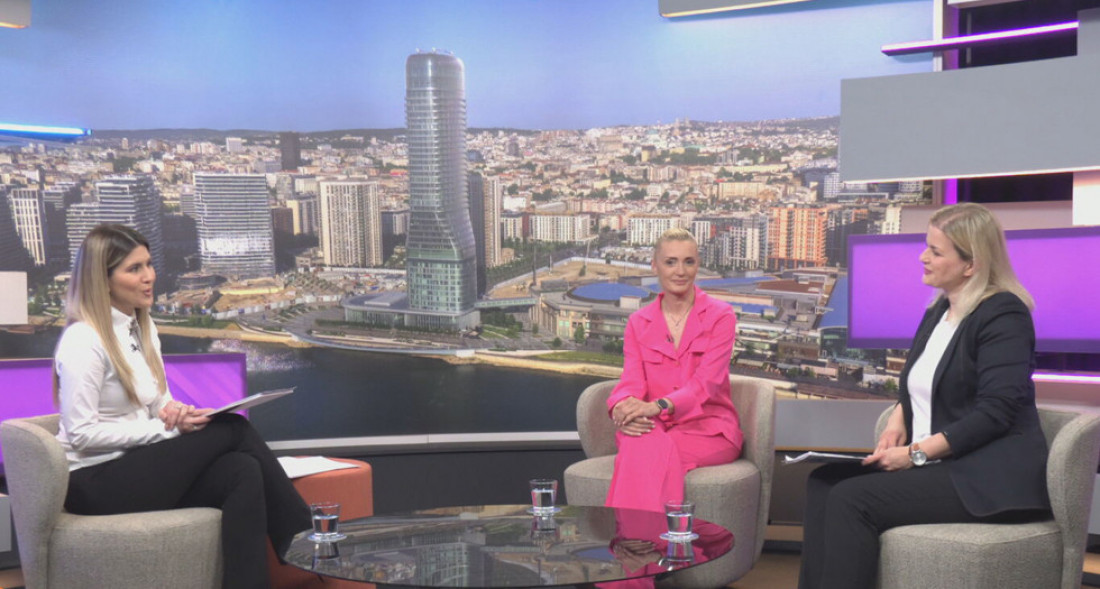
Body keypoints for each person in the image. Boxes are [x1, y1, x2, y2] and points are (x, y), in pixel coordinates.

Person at [798, 203, 1050, 589]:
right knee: (823, 482)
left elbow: (995, 413)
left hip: (984, 478)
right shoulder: (940, 310)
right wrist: (899, 417)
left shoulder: (1004, 315)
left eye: (935, 251)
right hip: (942, 466)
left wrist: (915, 454)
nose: (922, 257)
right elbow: (923, 381)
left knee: (851, 498)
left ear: (971, 264)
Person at [54, 224, 311, 589]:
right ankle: (306, 539)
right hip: (94, 483)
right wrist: (166, 430)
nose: (149, 277)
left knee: (243, 470)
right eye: (134, 269)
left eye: (148, 264)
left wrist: (176, 412)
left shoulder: (141, 327)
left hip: (133, 465)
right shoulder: (83, 341)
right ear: (103, 280)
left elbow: (156, 400)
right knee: (234, 427)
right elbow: (81, 435)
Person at [604, 228, 742, 513]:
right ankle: (661, 538)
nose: (680, 271)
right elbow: (631, 382)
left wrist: (658, 406)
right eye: (670, 262)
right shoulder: (638, 322)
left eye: (688, 262)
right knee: (641, 439)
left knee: (642, 450)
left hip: (707, 428)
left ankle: (630, 537)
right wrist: (621, 408)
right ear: (654, 265)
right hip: (653, 423)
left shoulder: (721, 316)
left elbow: (707, 384)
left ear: (698, 265)